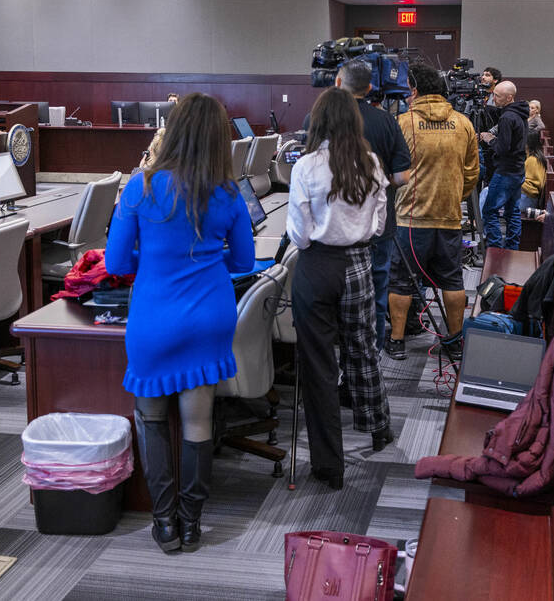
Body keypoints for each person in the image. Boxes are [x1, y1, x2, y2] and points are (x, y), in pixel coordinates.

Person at [105, 93, 255, 554]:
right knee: (197, 423)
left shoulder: (141, 187)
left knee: (151, 419)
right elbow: (244, 262)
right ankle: (192, 523)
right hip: (210, 315)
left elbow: (114, 262)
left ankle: (164, 522)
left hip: (155, 315)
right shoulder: (228, 193)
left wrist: (153, 253)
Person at [287, 87, 392, 490]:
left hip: (317, 268)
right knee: (362, 349)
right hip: (359, 264)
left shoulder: (306, 167)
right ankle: (378, 427)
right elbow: (380, 225)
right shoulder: (371, 162)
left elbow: (299, 234)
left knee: (319, 366)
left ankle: (330, 466)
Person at [387, 63, 479, 360]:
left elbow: (391, 171)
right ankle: (453, 342)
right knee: (452, 281)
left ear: (413, 90)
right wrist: (453, 197)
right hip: (450, 218)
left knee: (401, 281)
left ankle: (397, 341)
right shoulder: (463, 123)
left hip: (411, 220)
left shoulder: (403, 122)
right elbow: (472, 173)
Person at [333, 62, 411, 358]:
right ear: (370, 88)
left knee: (336, 297)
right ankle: (372, 356)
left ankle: (341, 362)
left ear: (338, 82)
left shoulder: (320, 119)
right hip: (378, 224)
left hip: (333, 227)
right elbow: (403, 177)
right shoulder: (386, 120)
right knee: (377, 292)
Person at [480, 81, 529, 249]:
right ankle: (512, 249)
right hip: (518, 169)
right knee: (512, 212)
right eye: (494, 94)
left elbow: (502, 148)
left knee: (489, 211)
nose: (494, 98)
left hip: (506, 170)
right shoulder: (521, 112)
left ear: (509, 97)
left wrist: (489, 139)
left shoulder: (507, 117)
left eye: (498, 96)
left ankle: (495, 249)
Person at [516, 128, 547, 214]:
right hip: (527, 198)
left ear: (527, 143)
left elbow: (532, 190)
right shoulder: (534, 158)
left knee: (487, 193)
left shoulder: (532, 160)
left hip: (527, 201)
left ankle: (480, 224)